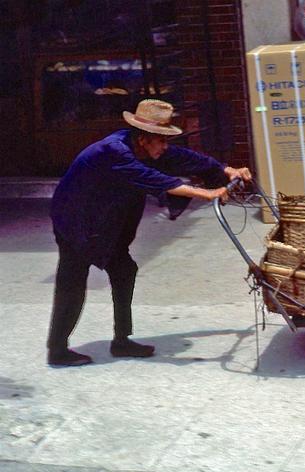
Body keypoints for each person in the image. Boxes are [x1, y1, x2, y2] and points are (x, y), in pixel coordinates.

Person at [47, 99, 251, 367]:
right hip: (76, 220)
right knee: (72, 283)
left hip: (107, 219)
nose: (166, 147)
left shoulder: (144, 146)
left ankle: (122, 341)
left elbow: (187, 158)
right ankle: (58, 350)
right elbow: (160, 181)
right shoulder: (114, 151)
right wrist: (209, 193)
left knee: (123, 270)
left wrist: (227, 170)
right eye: (162, 141)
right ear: (145, 139)